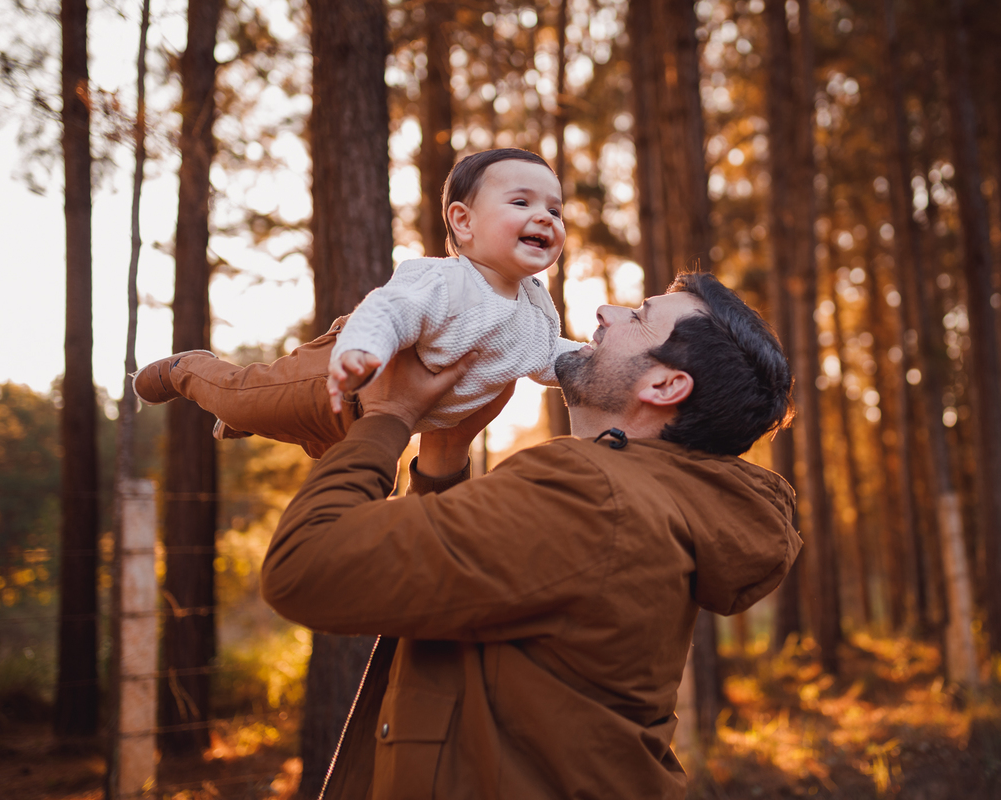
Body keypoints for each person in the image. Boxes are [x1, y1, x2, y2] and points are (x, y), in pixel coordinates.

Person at [261, 272, 803, 799]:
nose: (605, 311)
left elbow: (305, 565)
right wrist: (446, 453)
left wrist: (387, 417)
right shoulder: (647, 500)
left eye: (639, 318)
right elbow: (473, 604)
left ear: (664, 385)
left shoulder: (594, 494)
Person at [132, 148, 579, 458]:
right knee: (241, 399)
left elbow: (550, 357)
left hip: (384, 421)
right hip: (339, 374)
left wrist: (595, 361)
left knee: (323, 449)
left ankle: (261, 418)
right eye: (521, 202)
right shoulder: (447, 281)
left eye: (555, 211)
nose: (544, 217)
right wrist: (363, 349)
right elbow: (389, 310)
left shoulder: (535, 310)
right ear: (463, 221)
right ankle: (186, 369)